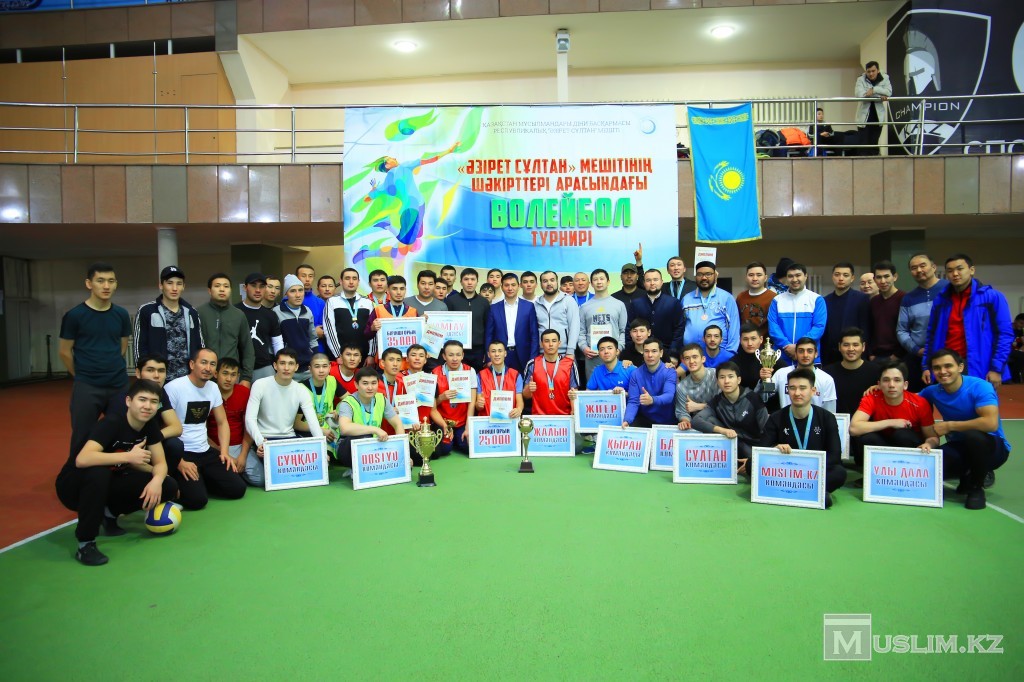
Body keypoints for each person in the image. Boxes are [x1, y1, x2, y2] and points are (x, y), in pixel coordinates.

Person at [55, 379, 179, 566]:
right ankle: (85, 544)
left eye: (154, 402)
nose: (148, 406)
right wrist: (128, 457)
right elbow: (83, 459)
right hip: (73, 485)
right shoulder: (111, 423)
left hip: (108, 481)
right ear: (129, 401)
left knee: (167, 485)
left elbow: (160, 463)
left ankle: (109, 513)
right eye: (142, 400)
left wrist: (156, 481)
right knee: (99, 473)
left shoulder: (150, 426)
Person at [59, 263, 133, 462]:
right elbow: (64, 352)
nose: (106, 286)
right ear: (89, 283)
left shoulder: (121, 314)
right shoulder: (74, 316)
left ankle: (120, 472)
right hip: (87, 386)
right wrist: (81, 376)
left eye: (111, 281)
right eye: (100, 281)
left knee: (123, 432)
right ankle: (76, 475)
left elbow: (122, 347)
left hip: (118, 385)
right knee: (82, 436)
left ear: (116, 284)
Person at [920, 349, 1011, 509]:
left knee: (973, 436)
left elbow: (991, 423)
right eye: (937, 368)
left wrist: (950, 426)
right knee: (930, 469)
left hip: (992, 448)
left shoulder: (980, 387)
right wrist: (878, 390)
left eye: (948, 366)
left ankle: (976, 488)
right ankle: (968, 473)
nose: (942, 371)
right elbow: (907, 401)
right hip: (959, 446)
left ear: (960, 367)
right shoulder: (933, 391)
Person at [164, 348, 246, 508]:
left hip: (205, 451)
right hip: (183, 453)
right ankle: (180, 485)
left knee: (238, 489)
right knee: (197, 501)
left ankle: (200, 482)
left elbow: (222, 422)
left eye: (212, 364)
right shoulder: (173, 388)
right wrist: (178, 461)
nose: (208, 368)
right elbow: (163, 430)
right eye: (203, 362)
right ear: (192, 364)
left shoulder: (213, 388)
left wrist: (224, 452)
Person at [923, 254, 1013, 389]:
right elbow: (931, 335)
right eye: (950, 270)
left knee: (980, 402)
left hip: (979, 366)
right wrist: (926, 365)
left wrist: (996, 368)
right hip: (946, 365)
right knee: (946, 403)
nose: (955, 274)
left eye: (960, 269)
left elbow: (1005, 334)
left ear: (971, 270)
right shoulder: (941, 300)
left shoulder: (992, 297)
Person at [761, 368, 848, 507]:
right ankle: (814, 493)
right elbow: (761, 450)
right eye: (792, 388)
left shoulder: (827, 418)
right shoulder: (776, 418)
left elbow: (835, 455)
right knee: (751, 465)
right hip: (786, 471)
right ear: (787, 390)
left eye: (802, 388)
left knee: (839, 473)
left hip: (814, 472)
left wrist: (806, 468)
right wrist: (774, 448)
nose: (797, 393)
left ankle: (788, 491)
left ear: (813, 391)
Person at [849, 360, 935, 486]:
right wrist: (891, 422)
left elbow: (932, 437)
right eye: (886, 380)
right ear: (879, 384)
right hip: (883, 444)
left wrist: (929, 444)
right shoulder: (872, 397)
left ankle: (905, 477)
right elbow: (854, 428)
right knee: (868, 438)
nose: (891, 385)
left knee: (902, 435)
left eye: (897, 380)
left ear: (905, 385)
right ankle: (874, 476)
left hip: (909, 448)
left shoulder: (920, 403)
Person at [244, 348, 324, 481]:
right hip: (266, 440)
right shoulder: (260, 385)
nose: (286, 368)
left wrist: (321, 448)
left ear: (296, 367)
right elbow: (249, 419)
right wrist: (260, 442)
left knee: (313, 470)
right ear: (275, 365)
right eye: (282, 363)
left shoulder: (300, 390)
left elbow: (313, 422)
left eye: (291, 364)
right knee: (261, 480)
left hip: (290, 439)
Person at [692, 361, 769, 476]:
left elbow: (767, 432)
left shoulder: (753, 399)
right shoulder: (717, 401)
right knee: (710, 420)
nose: (726, 381)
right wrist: (723, 430)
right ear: (717, 381)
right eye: (722, 377)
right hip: (733, 445)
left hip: (755, 447)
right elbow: (696, 421)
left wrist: (754, 458)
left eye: (730, 376)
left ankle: (748, 463)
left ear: (738, 380)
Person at [105, 355, 183, 461]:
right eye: (150, 370)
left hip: (149, 442)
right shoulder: (123, 398)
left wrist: (151, 439)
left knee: (175, 444)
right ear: (138, 373)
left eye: (161, 371)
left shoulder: (161, 393)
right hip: (124, 448)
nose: (156, 376)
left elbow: (176, 427)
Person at [133, 265, 203, 381]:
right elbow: (139, 346)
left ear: (183, 287)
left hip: (186, 378)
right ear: (161, 285)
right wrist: (142, 374)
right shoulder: (147, 311)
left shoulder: (192, 312)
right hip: (157, 378)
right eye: (169, 283)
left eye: (179, 284)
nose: (174, 288)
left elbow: (200, 346)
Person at [335, 367, 407, 467]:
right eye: (365, 383)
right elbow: (345, 428)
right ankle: (355, 469)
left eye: (373, 383)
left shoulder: (381, 399)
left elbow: (398, 424)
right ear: (356, 384)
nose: (370, 387)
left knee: (410, 459)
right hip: (348, 447)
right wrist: (374, 429)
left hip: (374, 446)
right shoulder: (347, 402)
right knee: (364, 436)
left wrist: (402, 452)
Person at [897, 253, 946, 392]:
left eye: (922, 266)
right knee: (919, 399)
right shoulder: (909, 298)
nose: (919, 270)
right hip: (917, 358)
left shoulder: (949, 289)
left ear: (934, 267)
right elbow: (901, 330)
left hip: (948, 356)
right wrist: (916, 350)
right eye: (914, 268)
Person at [197, 272, 254, 386]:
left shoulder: (238, 315)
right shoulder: (198, 313)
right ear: (209, 290)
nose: (222, 289)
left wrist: (246, 377)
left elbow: (247, 348)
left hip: (230, 374)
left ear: (230, 290)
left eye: (226, 286)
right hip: (205, 374)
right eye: (217, 286)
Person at [767, 262, 826, 365]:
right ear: (786, 278)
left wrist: (799, 347)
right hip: (782, 357)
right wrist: (786, 345)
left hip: (808, 357)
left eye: (798, 275)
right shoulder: (777, 300)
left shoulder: (816, 299)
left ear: (805, 276)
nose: (794, 279)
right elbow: (773, 327)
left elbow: (819, 327)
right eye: (790, 276)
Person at [206, 357, 254, 484]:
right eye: (225, 373)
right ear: (216, 374)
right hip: (214, 447)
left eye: (233, 375)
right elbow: (201, 430)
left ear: (238, 376)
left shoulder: (244, 392)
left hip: (240, 445)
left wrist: (243, 456)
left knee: (259, 479)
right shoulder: (206, 393)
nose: (229, 379)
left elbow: (250, 426)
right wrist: (222, 452)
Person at [578, 268, 628, 380]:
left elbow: (623, 330)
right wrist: (584, 348)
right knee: (594, 387)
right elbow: (581, 332)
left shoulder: (619, 305)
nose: (599, 282)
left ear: (608, 282)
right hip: (593, 357)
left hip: (614, 356)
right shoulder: (584, 307)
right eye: (595, 279)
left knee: (615, 386)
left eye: (601, 279)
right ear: (591, 284)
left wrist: (619, 348)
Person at [681, 261, 740, 355]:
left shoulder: (726, 298)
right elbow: (680, 326)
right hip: (691, 355)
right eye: (700, 274)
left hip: (719, 354)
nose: (704, 278)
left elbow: (734, 327)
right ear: (696, 277)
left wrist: (730, 352)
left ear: (715, 276)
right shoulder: (686, 299)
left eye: (708, 274)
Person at [485, 273, 539, 374]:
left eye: (513, 285)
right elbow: (489, 335)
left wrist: (533, 358)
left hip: (523, 355)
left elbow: (534, 335)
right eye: (506, 285)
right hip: (500, 355)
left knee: (523, 383)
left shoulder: (529, 306)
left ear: (518, 286)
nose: (510, 288)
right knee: (501, 383)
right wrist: (488, 359)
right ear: (502, 287)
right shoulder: (494, 308)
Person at [821, 262, 871, 366]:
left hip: (854, 353)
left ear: (852, 278)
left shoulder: (862, 299)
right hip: (830, 355)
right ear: (832, 277)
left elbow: (865, 328)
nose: (841, 278)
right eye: (837, 274)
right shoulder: (825, 300)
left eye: (845, 275)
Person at [236, 272, 284, 381]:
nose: (258, 290)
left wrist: (281, 363)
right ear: (245, 288)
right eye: (253, 286)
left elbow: (277, 343)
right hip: (239, 367)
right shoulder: (235, 311)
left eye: (262, 286)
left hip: (264, 366)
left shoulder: (270, 315)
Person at [432, 340, 477, 454]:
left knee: (469, 446)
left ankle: (457, 440)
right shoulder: (434, 373)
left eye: (458, 355)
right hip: (443, 421)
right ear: (444, 356)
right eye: (451, 355)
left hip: (462, 421)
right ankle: (452, 441)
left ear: (462, 355)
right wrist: (441, 397)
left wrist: (468, 427)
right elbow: (431, 407)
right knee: (444, 449)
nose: (455, 359)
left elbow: (472, 402)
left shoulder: (470, 371)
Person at [823, 328, 881, 416]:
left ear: (863, 347)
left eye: (855, 345)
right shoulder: (827, 373)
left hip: (867, 422)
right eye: (846, 345)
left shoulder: (876, 372)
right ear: (839, 347)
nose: (851, 349)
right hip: (835, 421)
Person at [622, 338, 678, 428]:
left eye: (654, 351)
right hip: (645, 420)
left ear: (661, 353)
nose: (650, 355)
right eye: (646, 351)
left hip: (668, 421)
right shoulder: (636, 373)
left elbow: (669, 396)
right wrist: (627, 420)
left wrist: (652, 400)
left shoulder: (669, 372)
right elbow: (633, 401)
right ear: (643, 353)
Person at [628, 269, 685, 356]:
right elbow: (630, 328)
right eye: (648, 280)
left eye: (655, 280)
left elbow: (679, 329)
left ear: (662, 282)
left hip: (667, 352)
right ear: (644, 283)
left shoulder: (673, 303)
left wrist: (673, 354)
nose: (652, 283)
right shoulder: (635, 304)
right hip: (641, 353)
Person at [324, 267, 374, 364]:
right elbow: (329, 330)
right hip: (341, 356)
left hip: (364, 356)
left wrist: (371, 354)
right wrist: (338, 355)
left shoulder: (367, 302)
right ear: (341, 281)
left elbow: (373, 330)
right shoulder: (332, 301)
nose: (351, 282)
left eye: (354, 279)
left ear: (358, 282)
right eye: (347, 278)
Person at [772, 337, 837, 413]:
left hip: (815, 420)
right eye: (801, 351)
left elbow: (830, 412)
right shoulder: (781, 374)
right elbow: (765, 396)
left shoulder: (826, 379)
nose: (805, 355)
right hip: (786, 419)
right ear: (795, 354)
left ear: (816, 354)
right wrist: (765, 380)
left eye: (809, 351)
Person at [523, 329, 579, 416]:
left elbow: (574, 392)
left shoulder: (570, 364)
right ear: (541, 344)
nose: (550, 344)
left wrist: (574, 411)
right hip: (539, 417)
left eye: (554, 341)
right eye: (546, 341)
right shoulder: (532, 364)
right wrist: (529, 389)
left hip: (564, 416)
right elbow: (525, 396)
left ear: (559, 343)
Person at [365, 275, 419, 363]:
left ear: (405, 290)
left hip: (407, 363)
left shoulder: (413, 312)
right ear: (387, 290)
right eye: (394, 289)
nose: (399, 292)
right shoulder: (378, 310)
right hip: (384, 362)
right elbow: (366, 335)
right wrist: (372, 329)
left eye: (402, 289)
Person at [445, 267, 491, 371]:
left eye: (473, 279)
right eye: (466, 279)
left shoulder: (484, 302)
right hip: (457, 351)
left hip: (478, 351)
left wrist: (486, 351)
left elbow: (487, 328)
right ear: (461, 282)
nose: (469, 282)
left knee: (477, 378)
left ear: (477, 282)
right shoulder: (451, 301)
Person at [274, 274, 319, 382]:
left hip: (307, 368)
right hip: (288, 368)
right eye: (293, 291)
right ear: (286, 293)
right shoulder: (276, 312)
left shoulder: (307, 311)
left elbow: (313, 338)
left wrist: (315, 358)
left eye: (300, 290)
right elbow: (274, 342)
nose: (298, 295)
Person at [296, 353, 341, 451]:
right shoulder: (301, 388)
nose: (321, 370)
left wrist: (339, 409)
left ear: (329, 367)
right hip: (308, 433)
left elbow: (350, 400)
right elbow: (296, 424)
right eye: (317, 366)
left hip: (329, 431)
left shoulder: (332, 381)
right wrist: (320, 430)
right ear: (310, 369)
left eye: (324, 366)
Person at [535, 270, 581, 358]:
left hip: (564, 353)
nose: (549, 283)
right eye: (545, 281)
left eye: (552, 280)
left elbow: (574, 327)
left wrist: (570, 351)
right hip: (542, 353)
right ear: (541, 284)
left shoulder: (568, 301)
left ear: (557, 282)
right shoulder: (537, 303)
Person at [674, 343, 719, 428]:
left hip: (721, 421)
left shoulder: (716, 376)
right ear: (684, 362)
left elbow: (725, 405)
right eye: (687, 358)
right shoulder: (681, 386)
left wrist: (699, 406)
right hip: (699, 424)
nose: (691, 361)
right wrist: (685, 421)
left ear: (703, 359)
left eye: (695, 357)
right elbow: (682, 412)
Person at [475, 340, 524, 419]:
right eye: (493, 351)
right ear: (488, 354)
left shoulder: (516, 375)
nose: (497, 354)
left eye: (500, 351)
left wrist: (519, 409)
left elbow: (519, 400)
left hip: (509, 419)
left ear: (505, 353)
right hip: (487, 422)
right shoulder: (480, 376)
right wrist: (478, 405)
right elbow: (478, 407)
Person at [867, 260, 905, 361]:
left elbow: (908, 330)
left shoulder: (904, 299)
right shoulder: (873, 301)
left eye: (886, 276)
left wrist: (897, 355)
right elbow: (870, 329)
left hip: (898, 357)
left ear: (895, 277)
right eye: (879, 277)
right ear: (874, 280)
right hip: (876, 356)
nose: (883, 281)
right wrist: (870, 353)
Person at [733, 323, 778, 403]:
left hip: (771, 405)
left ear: (761, 339)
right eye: (745, 339)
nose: (749, 343)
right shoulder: (733, 363)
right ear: (740, 340)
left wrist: (766, 380)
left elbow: (772, 392)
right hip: (743, 405)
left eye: (753, 339)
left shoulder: (773, 359)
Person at [854, 60, 892, 156]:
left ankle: (874, 163)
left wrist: (874, 89)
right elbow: (859, 94)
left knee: (874, 143)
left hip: (878, 117)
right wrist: (879, 95)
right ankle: (862, 164)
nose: (871, 74)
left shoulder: (885, 78)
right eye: (868, 71)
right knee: (863, 144)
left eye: (873, 71)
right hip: (863, 117)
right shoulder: (860, 79)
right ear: (866, 71)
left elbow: (888, 92)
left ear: (878, 70)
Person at [735, 261, 775, 339]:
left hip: (766, 344)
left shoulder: (773, 298)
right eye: (751, 275)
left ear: (765, 278)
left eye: (759, 275)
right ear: (746, 278)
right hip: (744, 342)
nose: (754, 278)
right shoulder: (740, 297)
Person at [377, 347, 408, 435]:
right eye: (391, 360)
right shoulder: (374, 384)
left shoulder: (404, 384)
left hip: (399, 432)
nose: (395, 364)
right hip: (378, 434)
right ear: (382, 363)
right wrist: (388, 410)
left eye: (398, 360)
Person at [296, 263, 326, 351]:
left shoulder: (320, 302)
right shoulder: (288, 300)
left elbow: (321, 330)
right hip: (295, 349)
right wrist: (313, 332)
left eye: (310, 276)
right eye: (303, 276)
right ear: (297, 278)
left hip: (317, 349)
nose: (307, 279)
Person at [1010, 313, 1024, 384]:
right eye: (1021, 323)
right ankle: (1015, 379)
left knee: (1020, 355)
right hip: (1005, 350)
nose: (1022, 326)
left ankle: (1017, 379)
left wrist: (1021, 349)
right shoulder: (1008, 328)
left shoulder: (1019, 330)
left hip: (1013, 350)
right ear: (1015, 321)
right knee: (1021, 356)